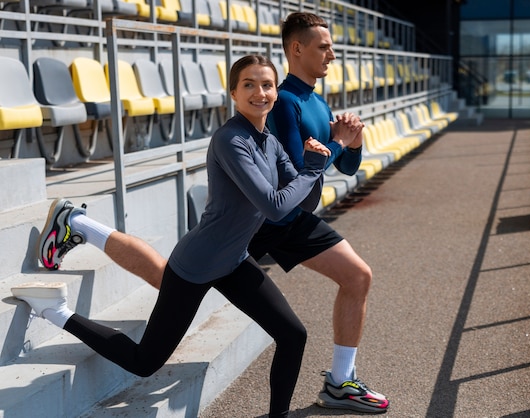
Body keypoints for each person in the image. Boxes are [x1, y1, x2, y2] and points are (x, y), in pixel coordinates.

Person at [12, 55, 330, 418]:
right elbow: (275, 206)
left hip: (234, 260)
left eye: (267, 85)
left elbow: (304, 202)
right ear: (233, 93)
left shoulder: (269, 141)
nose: (260, 92)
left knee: (292, 334)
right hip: (195, 265)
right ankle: (56, 312)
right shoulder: (230, 140)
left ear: (275, 91)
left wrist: (314, 168)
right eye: (249, 84)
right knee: (144, 361)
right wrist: (311, 169)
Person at [248, 11, 389, 414]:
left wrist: (354, 142)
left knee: (358, 276)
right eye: (323, 46)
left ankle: (341, 382)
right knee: (180, 285)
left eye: (331, 46)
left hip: (292, 221)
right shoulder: (283, 102)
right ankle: (84, 227)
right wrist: (339, 143)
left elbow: (343, 168)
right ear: (296, 49)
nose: (332, 53)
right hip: (262, 221)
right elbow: (298, 170)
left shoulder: (316, 98)